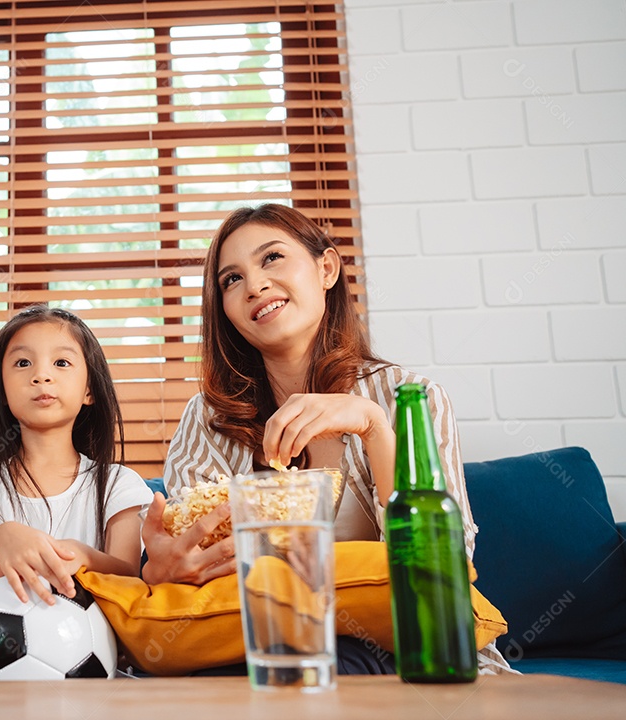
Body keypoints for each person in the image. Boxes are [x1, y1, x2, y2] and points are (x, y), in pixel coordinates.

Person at [140, 203, 511, 673]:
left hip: (405, 649)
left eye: (271, 258)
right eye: (231, 279)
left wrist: (373, 426)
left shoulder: (409, 400)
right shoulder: (207, 419)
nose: (254, 285)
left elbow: (445, 562)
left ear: (327, 269)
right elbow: (194, 570)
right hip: (255, 648)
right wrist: (162, 569)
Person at [0, 306, 153, 605]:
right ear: (3, 392)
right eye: (23, 362)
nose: (41, 375)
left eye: (61, 362)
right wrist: (4, 536)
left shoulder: (118, 484)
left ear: (89, 390)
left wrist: (82, 553)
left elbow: (127, 573)